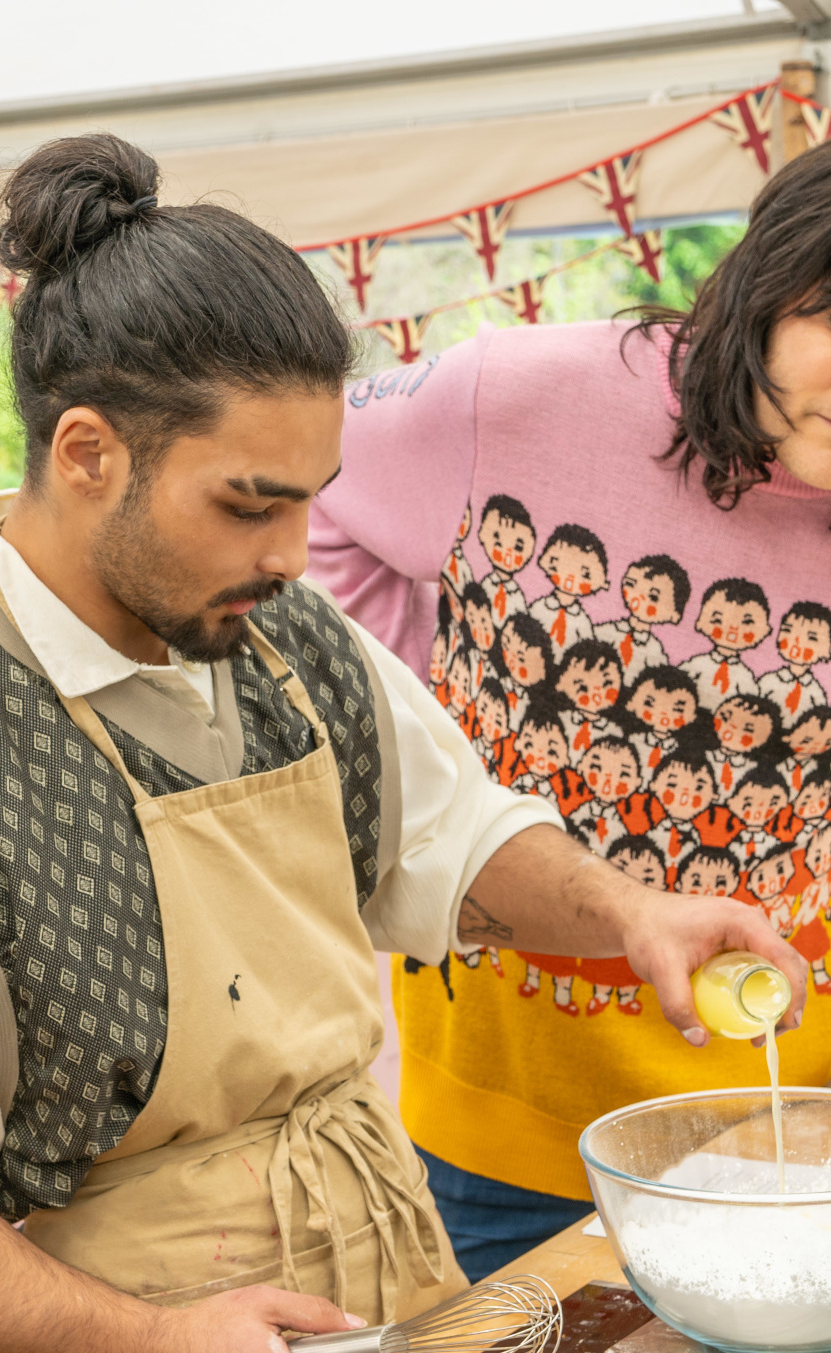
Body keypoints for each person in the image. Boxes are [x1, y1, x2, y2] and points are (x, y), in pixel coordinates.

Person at [0, 135, 798, 1353]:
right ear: (88, 453)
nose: (291, 554)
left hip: (394, 1334)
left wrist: (629, 914)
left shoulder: (278, 639)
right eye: (248, 504)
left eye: (307, 503)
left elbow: (453, 834)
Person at [307, 139, 831, 1282]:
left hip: (793, 1122)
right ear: (770, 280)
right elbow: (309, 478)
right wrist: (416, 731)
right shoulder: (517, 395)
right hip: (510, 1118)